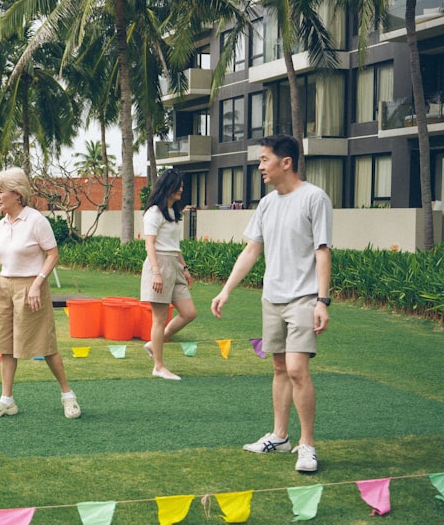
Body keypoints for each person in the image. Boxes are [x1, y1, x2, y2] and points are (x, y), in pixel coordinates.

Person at [211, 134, 332, 474]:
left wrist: (322, 300)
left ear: (286, 162)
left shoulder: (314, 198)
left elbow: (323, 250)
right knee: (279, 368)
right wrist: (226, 290)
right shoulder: (266, 204)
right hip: (272, 298)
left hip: (304, 298)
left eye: (265, 159)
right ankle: (280, 436)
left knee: (296, 369)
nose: (260, 166)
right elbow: (251, 250)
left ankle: (307, 445)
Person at [0, 167, 80, 420]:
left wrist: (37, 283)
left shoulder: (36, 220)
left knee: (45, 345)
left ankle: (68, 395)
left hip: (31, 288)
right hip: (4, 289)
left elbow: (53, 254)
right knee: (4, 346)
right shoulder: (0, 225)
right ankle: (7, 400)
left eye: (1, 191)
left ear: (17, 193)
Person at [140, 169, 198, 380]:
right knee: (160, 318)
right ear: (168, 186)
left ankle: (153, 344)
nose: (182, 188)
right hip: (160, 265)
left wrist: (185, 268)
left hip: (174, 263)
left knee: (189, 312)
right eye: (179, 185)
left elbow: (175, 245)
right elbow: (150, 244)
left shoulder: (173, 212)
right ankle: (158, 366)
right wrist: (156, 272)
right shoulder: (154, 212)